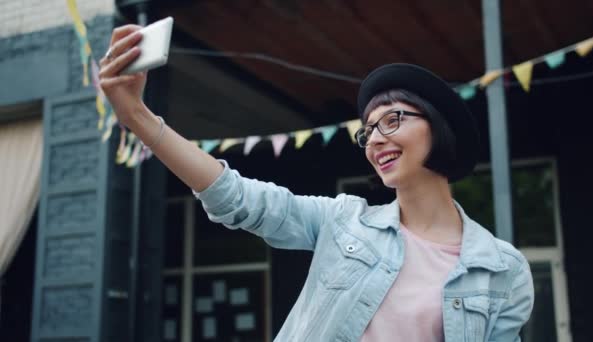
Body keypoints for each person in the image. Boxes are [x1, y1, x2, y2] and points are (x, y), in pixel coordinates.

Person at [99, 25, 534, 342]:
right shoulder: (344, 221)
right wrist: (137, 117)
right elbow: (237, 198)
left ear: (438, 128)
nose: (375, 138)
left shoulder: (503, 270)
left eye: (393, 120)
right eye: (368, 130)